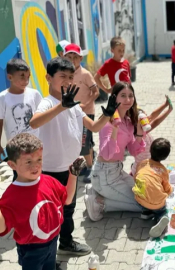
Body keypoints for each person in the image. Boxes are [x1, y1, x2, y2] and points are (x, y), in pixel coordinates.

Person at [29, 57, 119, 256]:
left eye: (71, 77)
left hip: (71, 169)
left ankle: (66, 243)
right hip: (50, 171)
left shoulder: (75, 106)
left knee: (68, 208)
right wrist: (61, 106)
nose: (68, 81)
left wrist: (108, 114)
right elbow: (34, 123)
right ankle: (49, 256)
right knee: (51, 213)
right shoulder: (48, 103)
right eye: (62, 76)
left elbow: (94, 126)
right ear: (48, 78)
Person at [0, 133, 86, 270]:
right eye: (28, 162)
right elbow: (0, 229)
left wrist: (73, 175)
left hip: (53, 242)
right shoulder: (11, 196)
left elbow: (67, 200)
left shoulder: (49, 181)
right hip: (31, 249)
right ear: (12, 165)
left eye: (39, 159)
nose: (35, 166)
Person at [84, 82, 146, 221]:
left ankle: (95, 190)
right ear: (114, 98)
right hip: (104, 174)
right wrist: (115, 129)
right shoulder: (106, 122)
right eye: (123, 96)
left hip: (117, 171)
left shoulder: (128, 121)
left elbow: (135, 151)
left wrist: (140, 134)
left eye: (131, 96)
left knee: (144, 196)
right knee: (143, 205)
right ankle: (98, 202)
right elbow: (106, 153)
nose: (128, 100)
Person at [0, 59, 42, 165]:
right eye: (22, 76)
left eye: (28, 76)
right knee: (19, 174)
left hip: (36, 145)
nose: (26, 81)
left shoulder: (34, 94)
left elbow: (42, 117)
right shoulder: (1, 98)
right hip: (16, 148)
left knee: (38, 172)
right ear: (10, 77)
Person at [64, 43, 99, 183]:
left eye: (75, 57)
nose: (72, 60)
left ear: (80, 58)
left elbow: (95, 92)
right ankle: (85, 161)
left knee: (84, 144)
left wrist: (86, 104)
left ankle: (91, 168)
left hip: (86, 113)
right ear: (64, 57)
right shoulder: (65, 74)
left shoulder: (85, 74)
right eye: (69, 57)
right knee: (75, 141)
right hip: (71, 114)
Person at [133, 138, 173, 238]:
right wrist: (169, 192)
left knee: (145, 192)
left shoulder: (142, 163)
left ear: (150, 150)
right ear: (165, 156)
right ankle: (161, 218)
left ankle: (146, 212)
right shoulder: (162, 170)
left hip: (140, 201)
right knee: (162, 210)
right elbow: (167, 188)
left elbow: (136, 178)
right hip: (157, 204)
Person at [130, 96, 173, 177]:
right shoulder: (140, 134)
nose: (147, 116)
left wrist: (165, 104)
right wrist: (168, 110)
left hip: (141, 167)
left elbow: (152, 115)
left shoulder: (139, 129)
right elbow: (156, 121)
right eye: (144, 116)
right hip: (143, 171)